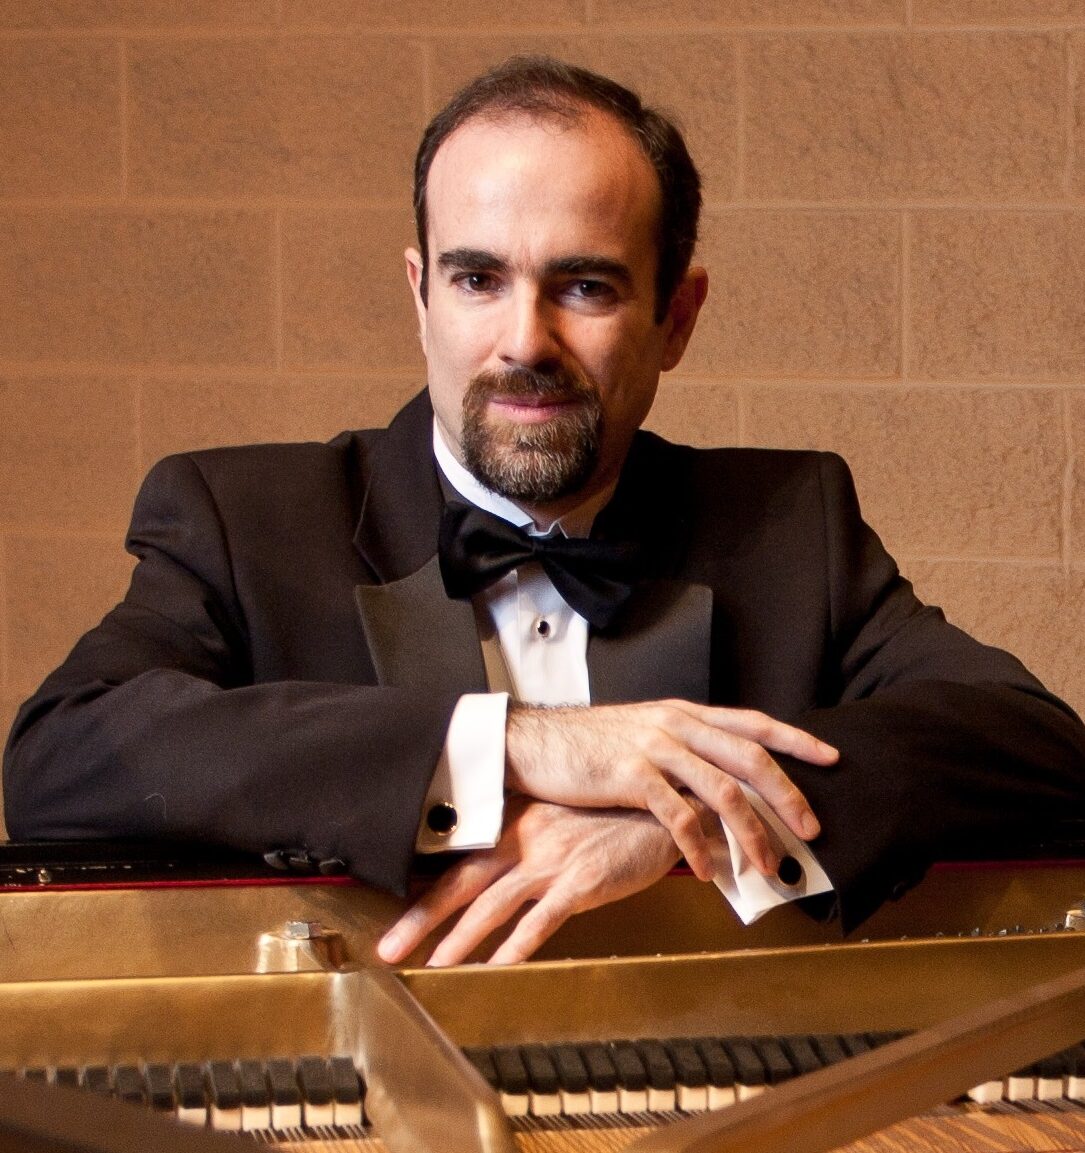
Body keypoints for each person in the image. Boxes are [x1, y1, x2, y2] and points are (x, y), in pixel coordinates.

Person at [4, 57, 1084, 968]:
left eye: (584, 287)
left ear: (676, 317)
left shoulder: (787, 527)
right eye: (477, 280)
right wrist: (516, 747)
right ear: (419, 296)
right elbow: (62, 760)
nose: (524, 341)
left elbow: (1033, 746)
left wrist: (683, 820)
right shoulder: (245, 521)